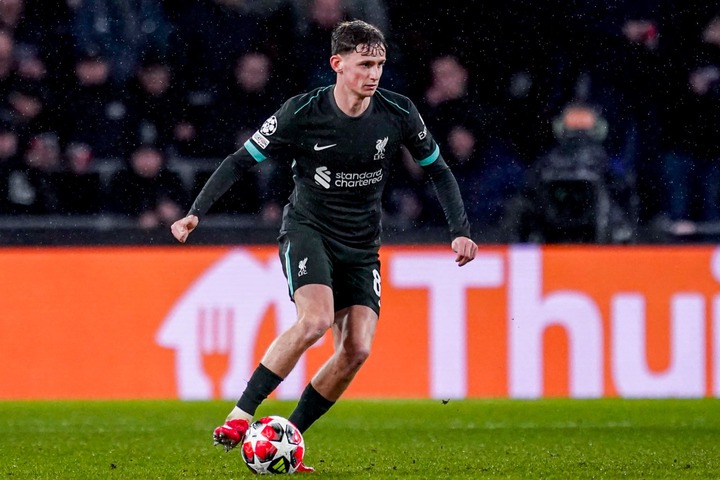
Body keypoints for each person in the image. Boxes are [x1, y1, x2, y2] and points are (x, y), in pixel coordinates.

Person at [170, 20, 477, 472]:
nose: (373, 74)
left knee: (357, 351)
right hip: (308, 229)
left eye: (380, 64)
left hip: (361, 243)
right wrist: (196, 211)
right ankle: (240, 415)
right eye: (364, 64)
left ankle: (286, 440)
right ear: (338, 64)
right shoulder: (301, 112)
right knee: (313, 320)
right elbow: (240, 161)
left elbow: (439, 170)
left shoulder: (399, 113)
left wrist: (459, 228)